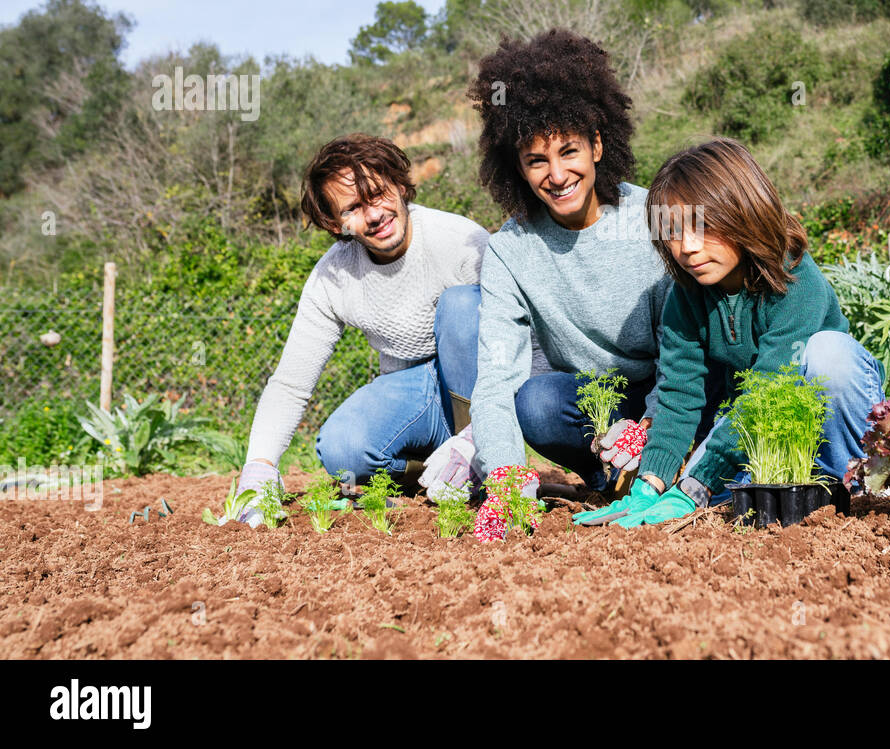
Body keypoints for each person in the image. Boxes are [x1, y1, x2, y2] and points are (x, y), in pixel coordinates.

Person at [421, 28, 694, 540]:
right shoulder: (511, 249)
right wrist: (502, 475)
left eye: (569, 151)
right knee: (538, 402)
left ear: (596, 144)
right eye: (536, 160)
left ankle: (660, 462)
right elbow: (497, 379)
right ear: (518, 170)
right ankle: (603, 474)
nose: (557, 173)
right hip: (592, 401)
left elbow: (685, 352)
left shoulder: (652, 218)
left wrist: (649, 429)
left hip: (676, 392)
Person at [574, 137, 885, 528]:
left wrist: (695, 484)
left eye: (702, 226)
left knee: (828, 354)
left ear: (745, 213)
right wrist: (650, 484)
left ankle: (857, 490)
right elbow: (678, 395)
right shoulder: (685, 297)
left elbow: (771, 386)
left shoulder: (795, 280)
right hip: (768, 438)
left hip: (830, 426)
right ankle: (791, 489)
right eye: (672, 232)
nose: (686, 248)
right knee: (712, 499)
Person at [234, 134, 488, 524]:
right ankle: (431, 471)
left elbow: (520, 339)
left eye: (378, 194)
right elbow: (291, 383)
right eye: (353, 207)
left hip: (478, 390)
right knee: (342, 449)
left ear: (401, 186)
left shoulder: (459, 240)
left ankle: (479, 453)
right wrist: (259, 466)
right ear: (336, 224)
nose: (373, 215)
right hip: (413, 390)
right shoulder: (333, 277)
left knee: (462, 304)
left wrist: (481, 434)